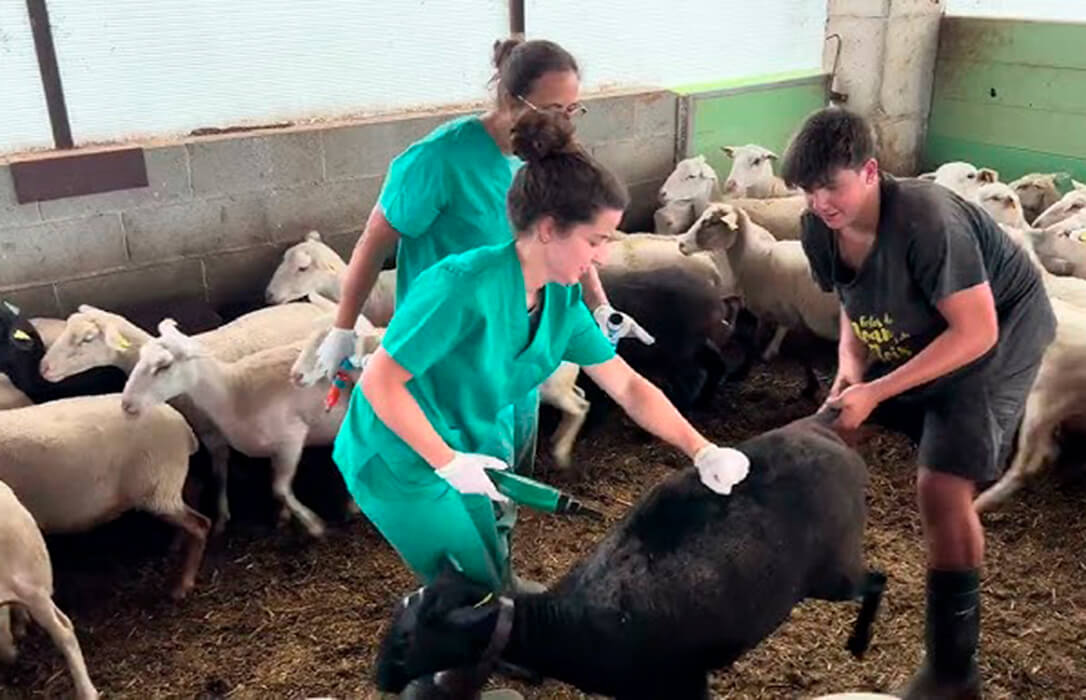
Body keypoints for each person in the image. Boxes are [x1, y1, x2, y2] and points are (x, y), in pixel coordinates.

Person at [313, 38, 649, 592]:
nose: (566, 122)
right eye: (553, 109)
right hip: (448, 353)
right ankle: (468, 599)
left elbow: (578, 230)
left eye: (573, 109)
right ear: (513, 99)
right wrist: (343, 327)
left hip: (514, 353)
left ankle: (500, 578)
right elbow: (375, 242)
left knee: (506, 474)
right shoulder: (437, 160)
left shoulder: (554, 159)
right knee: (450, 478)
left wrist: (598, 304)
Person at [780, 107, 1055, 699]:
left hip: (995, 333)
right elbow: (855, 302)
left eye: (832, 184)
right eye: (807, 189)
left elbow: (976, 332)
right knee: (829, 426)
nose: (819, 201)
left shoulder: (929, 221)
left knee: (941, 487)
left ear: (871, 171)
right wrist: (849, 373)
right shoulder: (819, 226)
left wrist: (878, 391)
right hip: (918, 325)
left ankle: (955, 672)